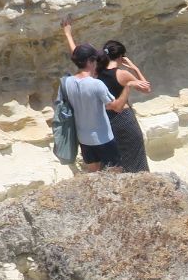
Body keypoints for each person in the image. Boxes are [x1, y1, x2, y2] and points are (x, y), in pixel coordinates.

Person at [63, 18, 152, 173]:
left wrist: (68, 34)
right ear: (121, 57)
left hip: (105, 121)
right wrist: (135, 68)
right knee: (135, 160)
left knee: (111, 164)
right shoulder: (123, 74)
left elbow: (77, 54)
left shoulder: (95, 71)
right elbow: (146, 88)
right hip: (124, 120)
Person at [60, 43, 128, 172]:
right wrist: (128, 86)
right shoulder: (96, 84)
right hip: (103, 138)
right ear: (90, 61)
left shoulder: (67, 82)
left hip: (84, 138)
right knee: (115, 172)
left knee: (93, 173)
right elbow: (117, 107)